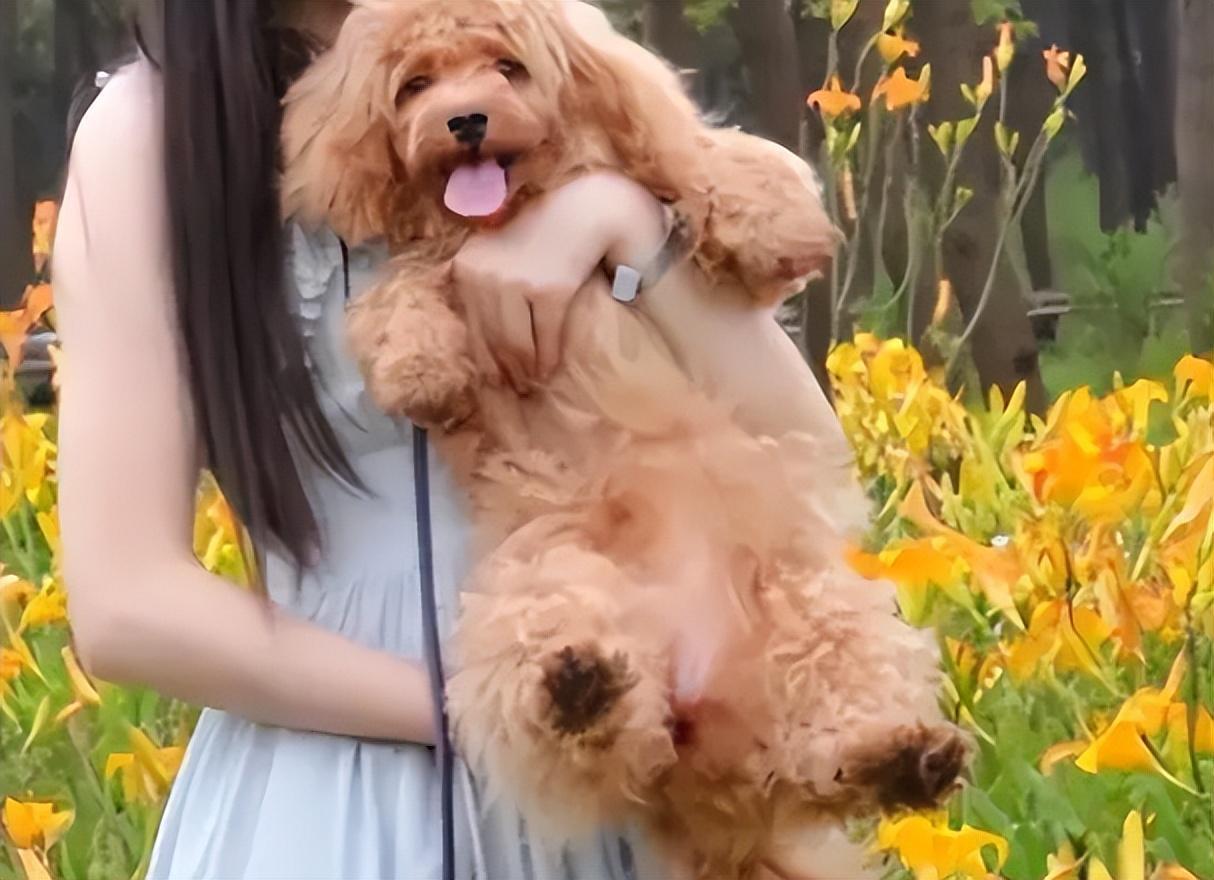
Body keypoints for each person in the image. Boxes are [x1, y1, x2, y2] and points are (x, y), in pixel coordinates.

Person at [53, 1, 673, 877]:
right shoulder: (152, 134)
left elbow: (797, 432)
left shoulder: (544, 45)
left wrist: (622, 223)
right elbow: (127, 605)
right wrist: (497, 710)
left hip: (635, 741)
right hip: (352, 781)